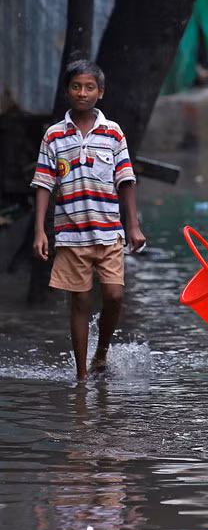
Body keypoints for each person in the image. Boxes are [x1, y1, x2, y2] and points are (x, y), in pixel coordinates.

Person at [31, 60, 147, 381]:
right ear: (67, 91)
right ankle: (82, 377)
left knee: (114, 295)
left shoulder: (113, 133)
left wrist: (133, 225)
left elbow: (126, 179)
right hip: (70, 235)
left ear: (101, 93)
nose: (83, 93)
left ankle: (101, 354)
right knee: (80, 302)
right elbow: (43, 184)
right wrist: (40, 230)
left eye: (89, 87)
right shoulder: (54, 136)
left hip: (109, 230)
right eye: (76, 87)